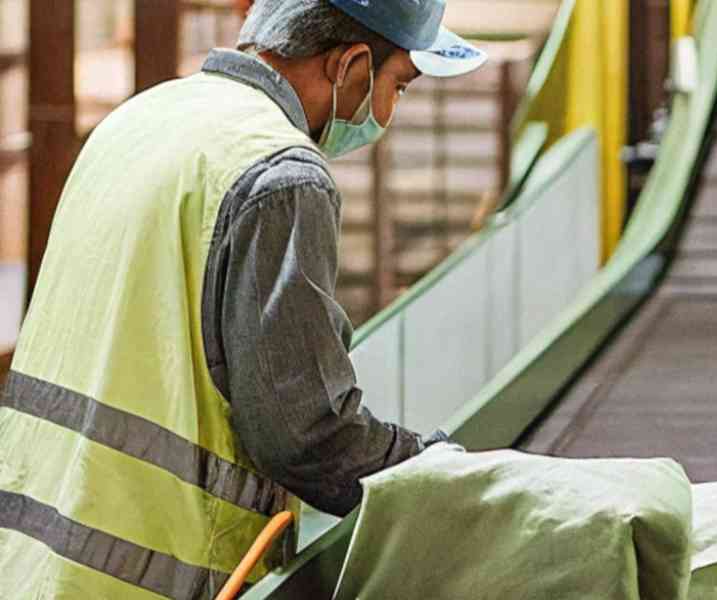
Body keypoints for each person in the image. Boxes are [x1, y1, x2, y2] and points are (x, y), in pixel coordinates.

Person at [0, 1, 486, 597]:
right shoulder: (281, 174)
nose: (386, 113)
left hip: (33, 558)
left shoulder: (139, 119)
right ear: (351, 63)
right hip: (154, 574)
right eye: (398, 87)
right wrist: (442, 474)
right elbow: (305, 435)